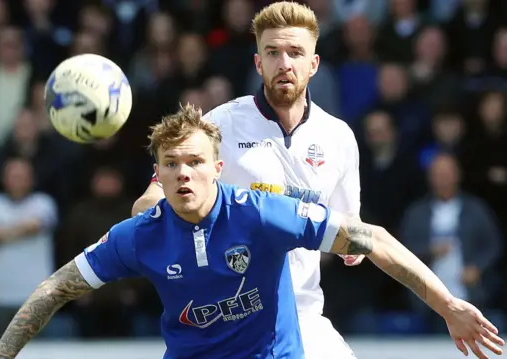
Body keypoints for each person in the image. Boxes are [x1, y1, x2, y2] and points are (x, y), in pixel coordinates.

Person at [0, 105, 504, 359]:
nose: (183, 173)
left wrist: (448, 306)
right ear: (158, 175)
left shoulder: (261, 213)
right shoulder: (139, 235)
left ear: (218, 166)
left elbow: (372, 239)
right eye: (171, 164)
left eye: (194, 162)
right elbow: (55, 287)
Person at [132, 2, 363, 358]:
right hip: (229, 321)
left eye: (295, 52)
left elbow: (351, 229)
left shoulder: (339, 137)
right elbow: (151, 197)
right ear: (258, 63)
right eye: (272, 52)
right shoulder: (219, 125)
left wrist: (353, 251)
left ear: (313, 64)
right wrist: (151, 216)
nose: (283, 63)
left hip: (304, 316)